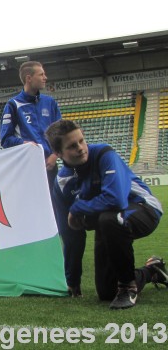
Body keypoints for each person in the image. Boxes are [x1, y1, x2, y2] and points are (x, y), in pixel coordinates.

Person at [45, 119, 166, 309]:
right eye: (72, 146)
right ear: (59, 154)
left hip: (143, 208)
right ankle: (152, 271)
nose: (81, 148)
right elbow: (70, 233)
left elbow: (116, 199)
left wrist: (76, 208)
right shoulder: (61, 184)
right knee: (107, 292)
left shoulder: (103, 153)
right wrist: (73, 280)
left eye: (82, 141)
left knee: (109, 218)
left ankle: (128, 288)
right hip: (108, 221)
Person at [0, 61, 61, 192]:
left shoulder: (50, 102)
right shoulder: (13, 105)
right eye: (41, 74)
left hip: (49, 166)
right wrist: (24, 144)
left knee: (53, 208)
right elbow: (5, 140)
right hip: (26, 168)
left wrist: (54, 156)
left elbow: (61, 135)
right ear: (29, 78)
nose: (45, 77)